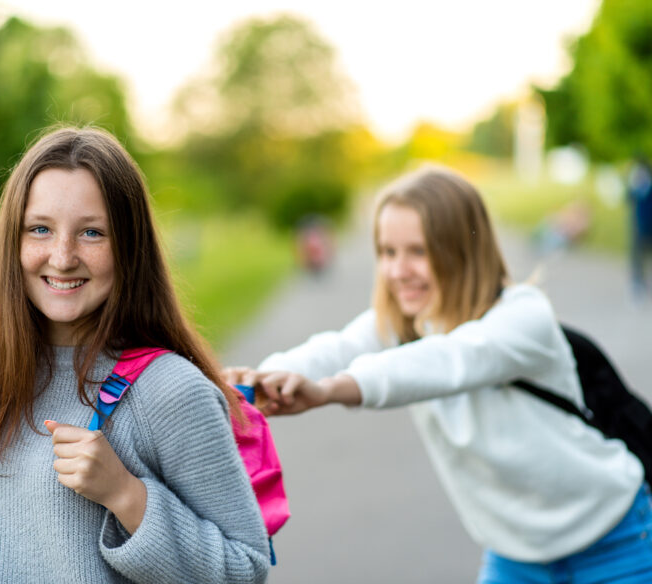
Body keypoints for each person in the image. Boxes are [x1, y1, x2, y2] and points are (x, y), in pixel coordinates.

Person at [225, 165, 652, 583]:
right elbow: (334, 349)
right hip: (515, 556)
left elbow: (446, 362)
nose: (397, 270)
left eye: (419, 251)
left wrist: (331, 390)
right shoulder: (401, 323)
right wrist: (264, 377)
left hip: (615, 538)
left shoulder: (523, 316)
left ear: (463, 250)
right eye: (388, 252)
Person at [0, 127, 270, 583]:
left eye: (92, 233)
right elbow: (8, 550)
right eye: (40, 229)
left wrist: (128, 496)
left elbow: (245, 571)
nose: (62, 257)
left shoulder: (171, 391)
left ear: (130, 247)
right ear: (11, 243)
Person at [627, 155, 652, 300]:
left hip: (649, 227)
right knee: (638, 259)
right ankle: (638, 284)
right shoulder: (635, 186)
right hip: (639, 228)